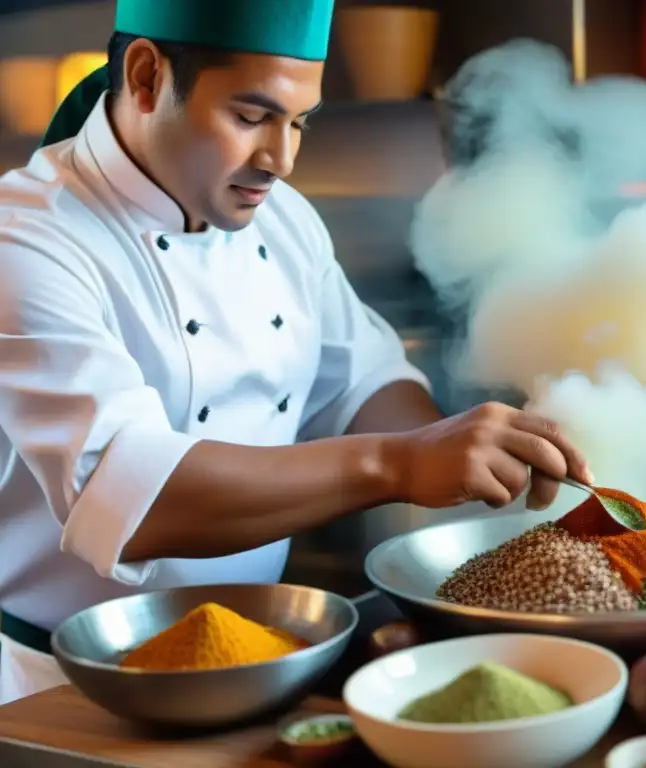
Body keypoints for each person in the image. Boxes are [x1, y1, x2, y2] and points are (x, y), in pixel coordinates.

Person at [0, 0, 591, 704]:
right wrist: (402, 464)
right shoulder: (28, 241)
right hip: (56, 691)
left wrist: (485, 459)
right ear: (147, 76)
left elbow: (362, 384)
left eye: (299, 122)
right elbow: (132, 496)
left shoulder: (281, 220)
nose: (280, 160)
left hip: (257, 662)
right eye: (251, 118)